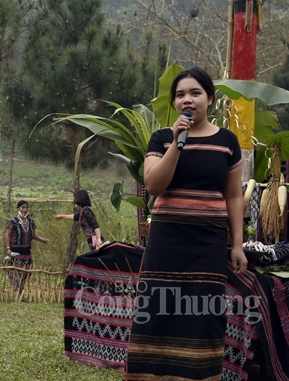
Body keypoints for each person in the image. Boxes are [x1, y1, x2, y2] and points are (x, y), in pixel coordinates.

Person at [125, 67, 247, 380]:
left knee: (203, 313)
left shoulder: (227, 141)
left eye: (195, 93)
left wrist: (237, 244)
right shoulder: (163, 137)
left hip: (208, 243)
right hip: (167, 242)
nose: (187, 100)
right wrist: (178, 142)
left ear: (210, 98)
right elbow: (154, 185)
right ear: (174, 103)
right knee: (157, 310)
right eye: (180, 95)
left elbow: (233, 196)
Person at [4, 200, 49, 292]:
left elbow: (33, 234)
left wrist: (41, 239)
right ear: (18, 208)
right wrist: (8, 249)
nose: (25, 209)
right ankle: (16, 291)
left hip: (27, 252)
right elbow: (8, 235)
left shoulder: (31, 222)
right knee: (15, 273)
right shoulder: (13, 222)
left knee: (26, 273)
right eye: (23, 207)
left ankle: (20, 291)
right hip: (16, 252)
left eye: (26, 207)